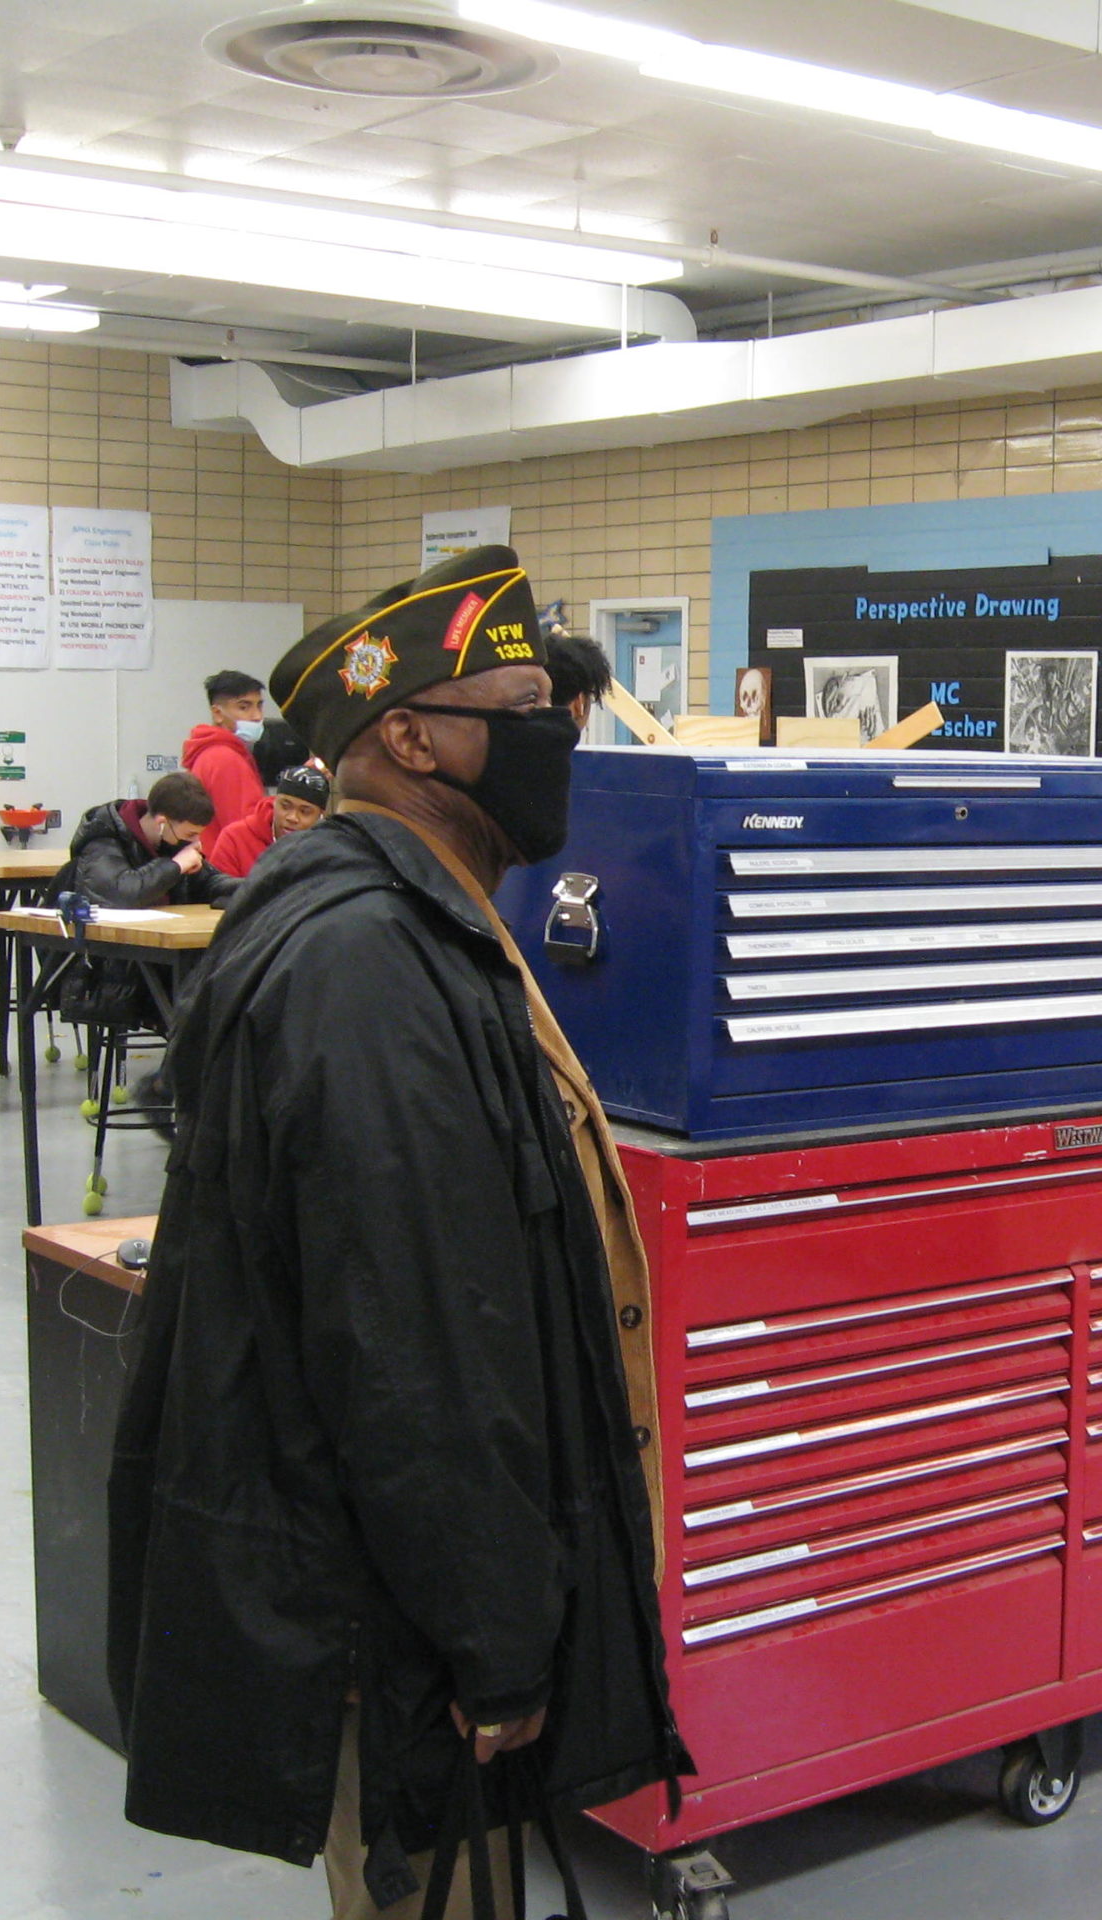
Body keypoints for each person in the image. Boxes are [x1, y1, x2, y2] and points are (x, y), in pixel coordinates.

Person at [106, 544, 686, 1920]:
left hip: (409, 1608)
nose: (556, 733)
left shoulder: (417, 925)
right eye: (525, 702)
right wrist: (498, 1645)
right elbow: (417, 1349)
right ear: (413, 736)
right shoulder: (369, 964)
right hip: (405, 1636)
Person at [56, 770, 242, 909]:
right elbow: (122, 894)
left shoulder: (174, 841)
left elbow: (210, 883)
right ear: (162, 823)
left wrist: (250, 888)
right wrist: (175, 866)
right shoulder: (103, 839)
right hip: (107, 955)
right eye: (190, 834)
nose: (197, 843)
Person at [205, 760, 329, 878]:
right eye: (285, 806)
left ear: (320, 815)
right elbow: (219, 893)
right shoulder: (234, 839)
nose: (292, 817)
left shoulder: (328, 847)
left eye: (305, 812)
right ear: (274, 802)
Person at [181, 669, 270, 825]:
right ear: (217, 713)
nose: (257, 716)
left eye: (259, 706)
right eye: (244, 707)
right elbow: (245, 826)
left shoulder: (212, 752)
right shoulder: (224, 758)